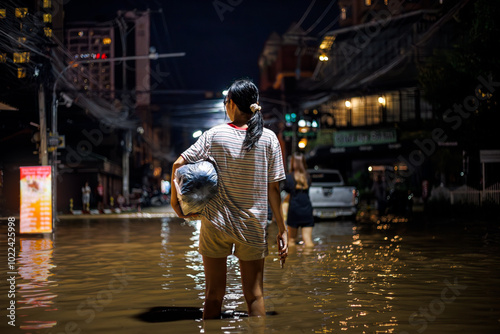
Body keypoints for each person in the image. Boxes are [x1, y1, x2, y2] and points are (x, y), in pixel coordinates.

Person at [171, 79, 288, 320]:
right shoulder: (269, 139)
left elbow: (178, 164)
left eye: (226, 102)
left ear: (232, 104)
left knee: (213, 295)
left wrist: (177, 204)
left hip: (215, 223)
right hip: (253, 226)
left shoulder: (214, 135)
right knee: (255, 296)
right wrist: (282, 229)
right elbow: (274, 190)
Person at [283, 153, 314, 247]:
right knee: (308, 240)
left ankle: (292, 260)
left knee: (291, 240)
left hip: (294, 210)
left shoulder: (288, 178)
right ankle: (310, 259)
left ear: (293, 163)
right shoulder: (308, 177)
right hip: (307, 209)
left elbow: (286, 190)